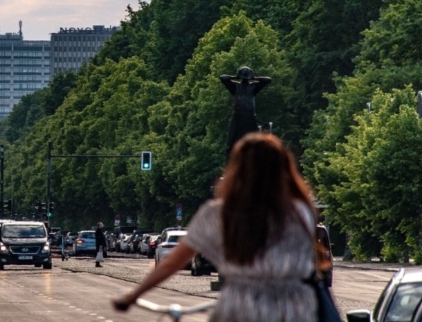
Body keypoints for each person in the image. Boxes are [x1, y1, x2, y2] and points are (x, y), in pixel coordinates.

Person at [113, 133, 326, 322]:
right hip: (295, 310)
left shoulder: (218, 213)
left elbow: (172, 263)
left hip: (241, 309)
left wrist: (133, 296)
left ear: (237, 169)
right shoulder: (301, 211)